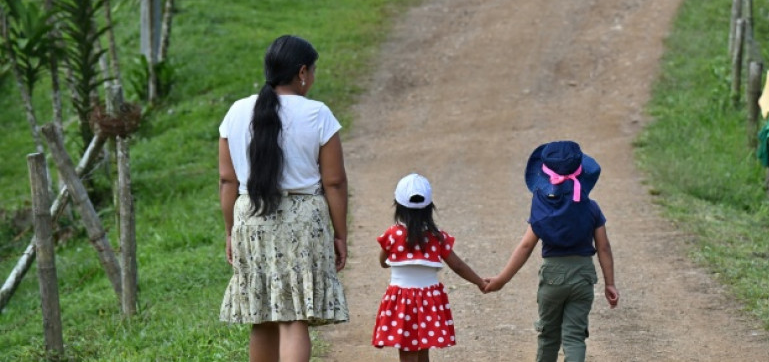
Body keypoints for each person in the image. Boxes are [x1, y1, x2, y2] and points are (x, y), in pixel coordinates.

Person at [218, 35, 349, 362]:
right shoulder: (318, 114)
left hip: (251, 217)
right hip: (304, 220)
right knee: (293, 319)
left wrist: (229, 230)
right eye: (313, 72)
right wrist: (341, 234)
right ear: (301, 72)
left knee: (261, 317)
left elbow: (227, 180)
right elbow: (334, 182)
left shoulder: (236, 112)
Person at [485, 140, 619, 362]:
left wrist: (502, 279)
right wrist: (610, 283)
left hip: (553, 277)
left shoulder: (541, 208)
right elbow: (603, 247)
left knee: (549, 335)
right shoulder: (591, 208)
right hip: (583, 276)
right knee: (575, 337)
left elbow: (526, 246)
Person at [373, 173, 487, 362]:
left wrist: (386, 262)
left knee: (407, 348)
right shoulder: (437, 237)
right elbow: (457, 265)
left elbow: (383, 259)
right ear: (429, 208)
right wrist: (480, 282)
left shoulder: (392, 235)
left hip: (401, 299)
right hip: (428, 299)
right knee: (423, 346)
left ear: (397, 206)